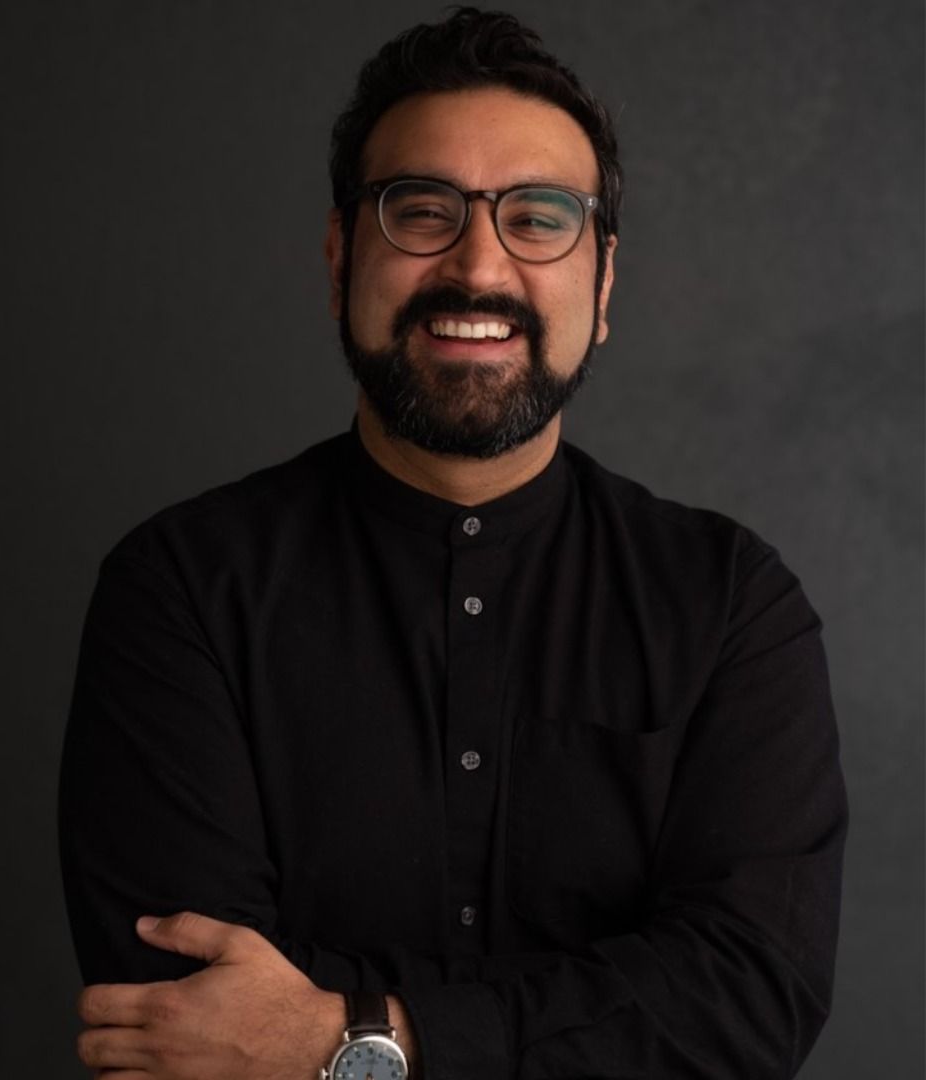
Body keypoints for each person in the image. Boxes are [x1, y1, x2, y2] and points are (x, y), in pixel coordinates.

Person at [59, 9, 844, 1079]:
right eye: (421, 210)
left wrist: (356, 1042)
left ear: (603, 285)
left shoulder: (730, 607)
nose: (478, 266)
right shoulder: (183, 591)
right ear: (341, 258)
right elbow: (183, 1026)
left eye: (539, 217)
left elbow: (748, 1000)